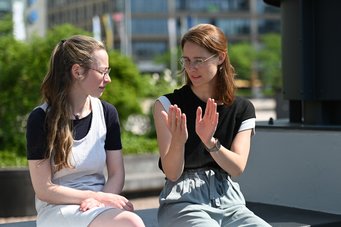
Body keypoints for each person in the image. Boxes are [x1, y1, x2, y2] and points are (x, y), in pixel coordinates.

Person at [153, 24, 271, 227]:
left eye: (199, 60)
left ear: (220, 57)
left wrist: (210, 141)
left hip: (230, 201)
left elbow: (237, 168)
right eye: (187, 60)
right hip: (183, 201)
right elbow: (172, 174)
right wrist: (179, 142)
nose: (191, 68)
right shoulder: (167, 105)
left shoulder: (242, 109)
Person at [26, 35, 145, 227]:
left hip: (99, 204)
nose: (108, 79)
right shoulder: (40, 119)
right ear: (77, 71)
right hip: (58, 209)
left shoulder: (107, 113)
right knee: (130, 222)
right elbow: (44, 190)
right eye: (103, 71)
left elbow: (116, 174)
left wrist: (100, 200)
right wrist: (95, 197)